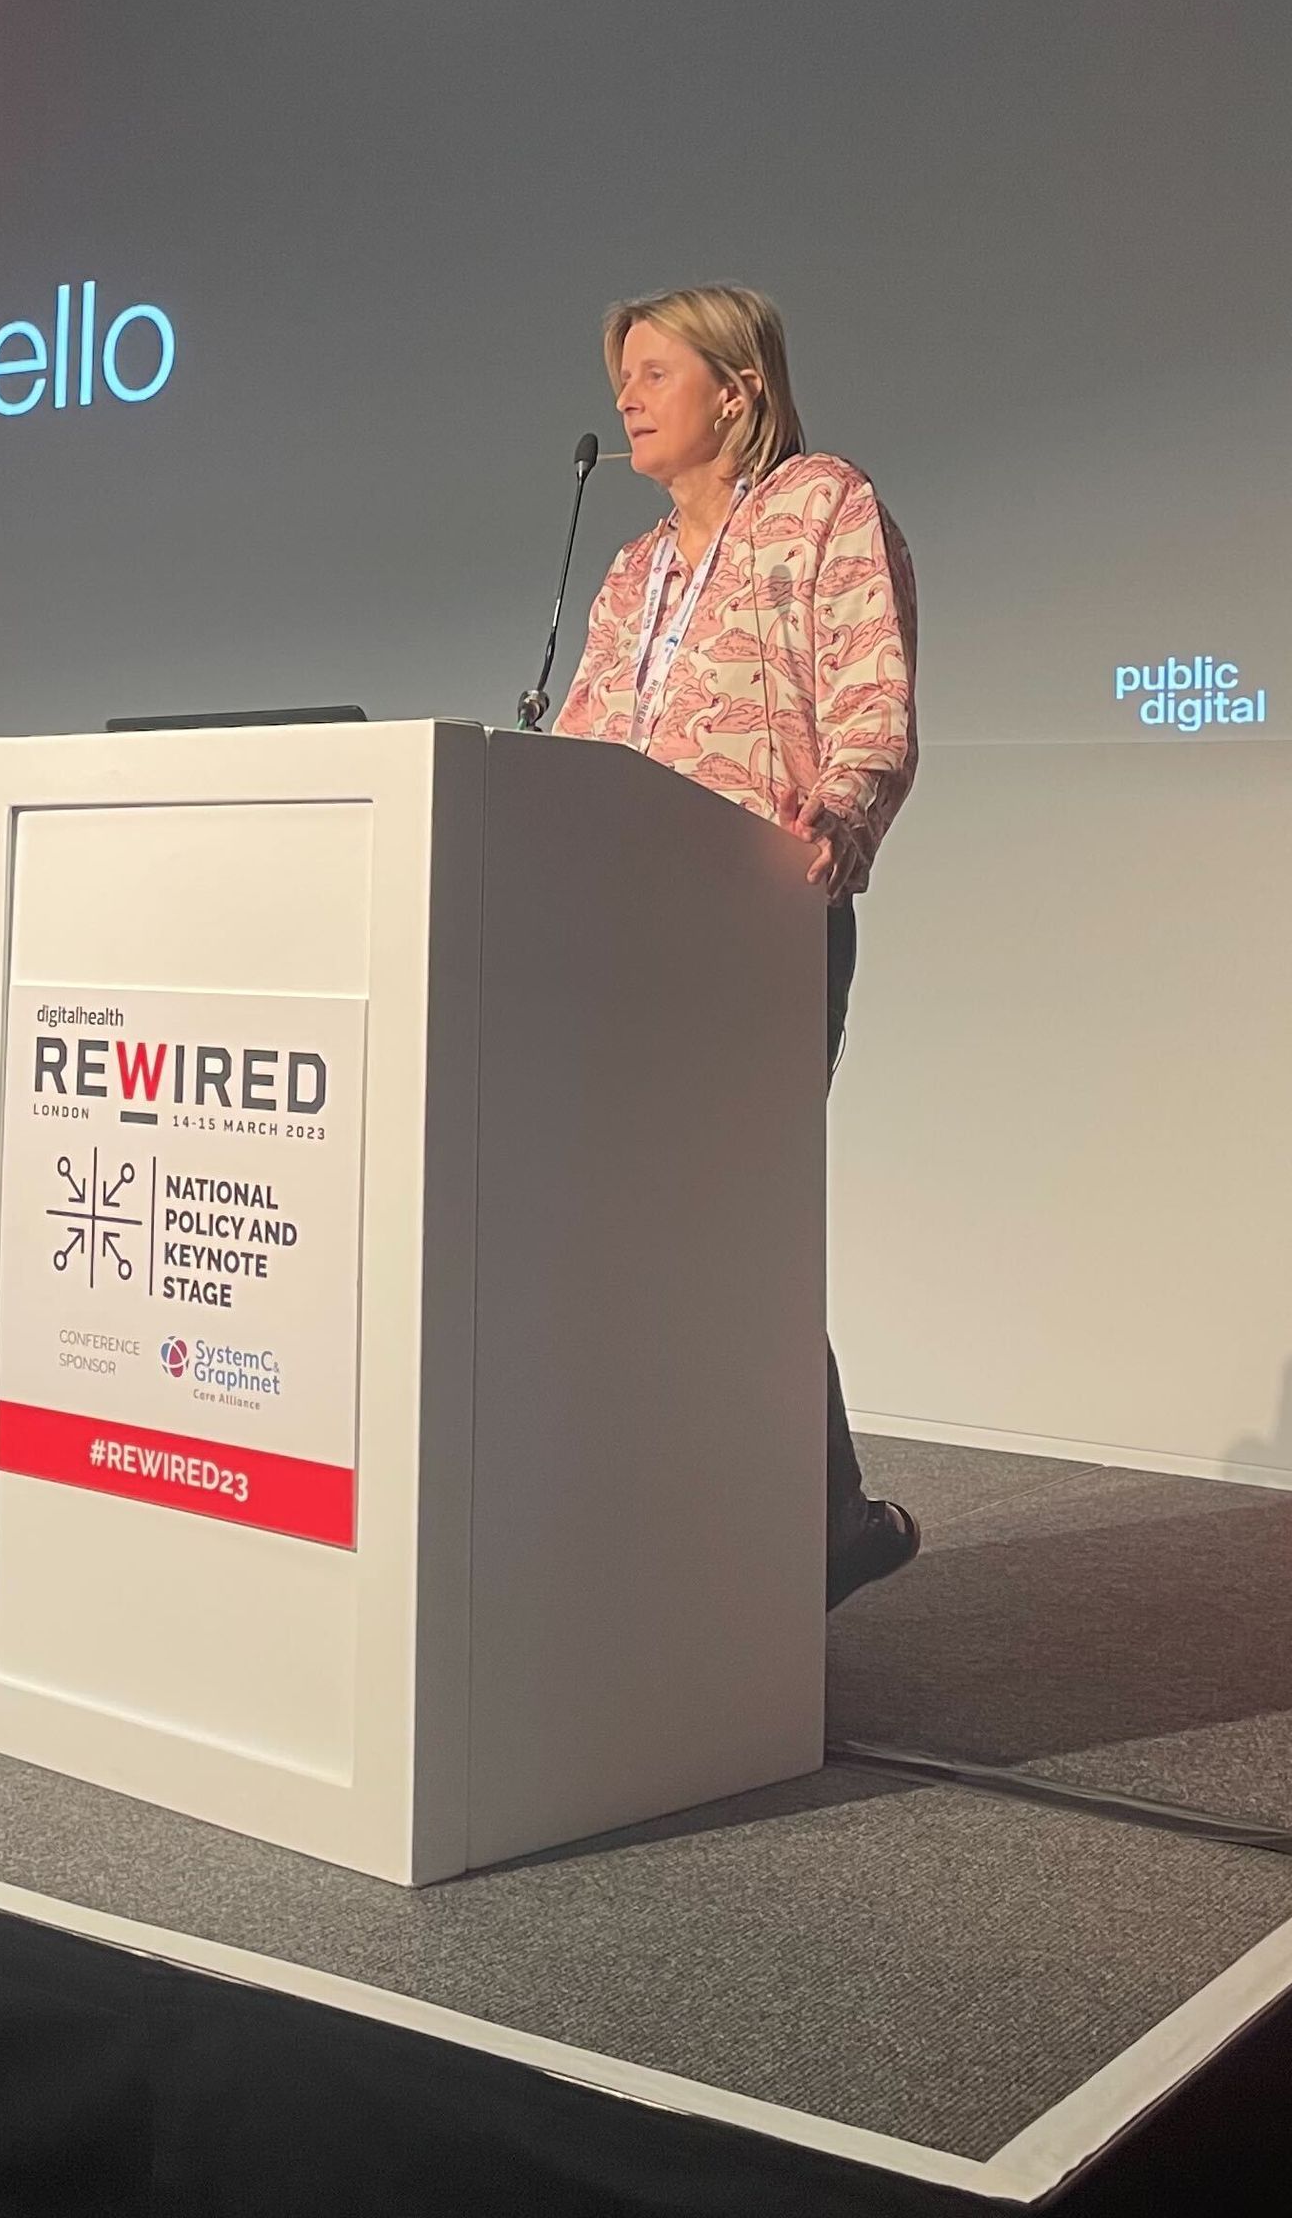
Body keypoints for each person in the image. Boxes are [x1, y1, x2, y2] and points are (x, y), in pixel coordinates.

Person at [550, 283, 923, 1609]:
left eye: (653, 373)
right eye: (622, 380)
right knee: (655, 1219)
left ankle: (809, 1525)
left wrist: (844, 813)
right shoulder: (632, 570)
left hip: (764, 912)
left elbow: (874, 697)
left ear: (737, 386)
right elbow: (580, 748)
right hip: (623, 932)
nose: (626, 400)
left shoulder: (825, 505)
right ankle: (775, 1518)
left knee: (733, 1212)